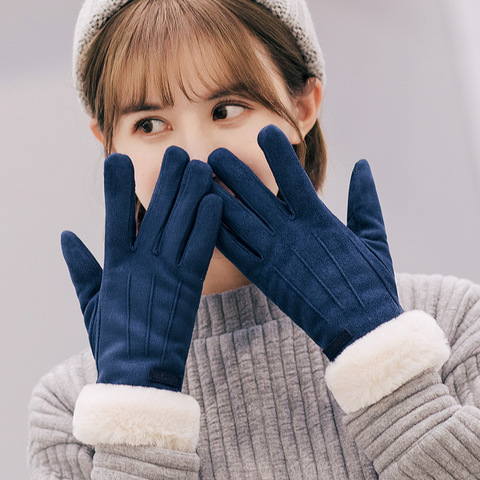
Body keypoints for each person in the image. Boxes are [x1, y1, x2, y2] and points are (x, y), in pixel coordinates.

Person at [27, 0, 480, 478]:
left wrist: (386, 364)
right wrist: (137, 417)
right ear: (109, 143)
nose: (196, 156)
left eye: (226, 109)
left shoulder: (451, 322)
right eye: (150, 124)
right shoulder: (73, 408)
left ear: (302, 108)